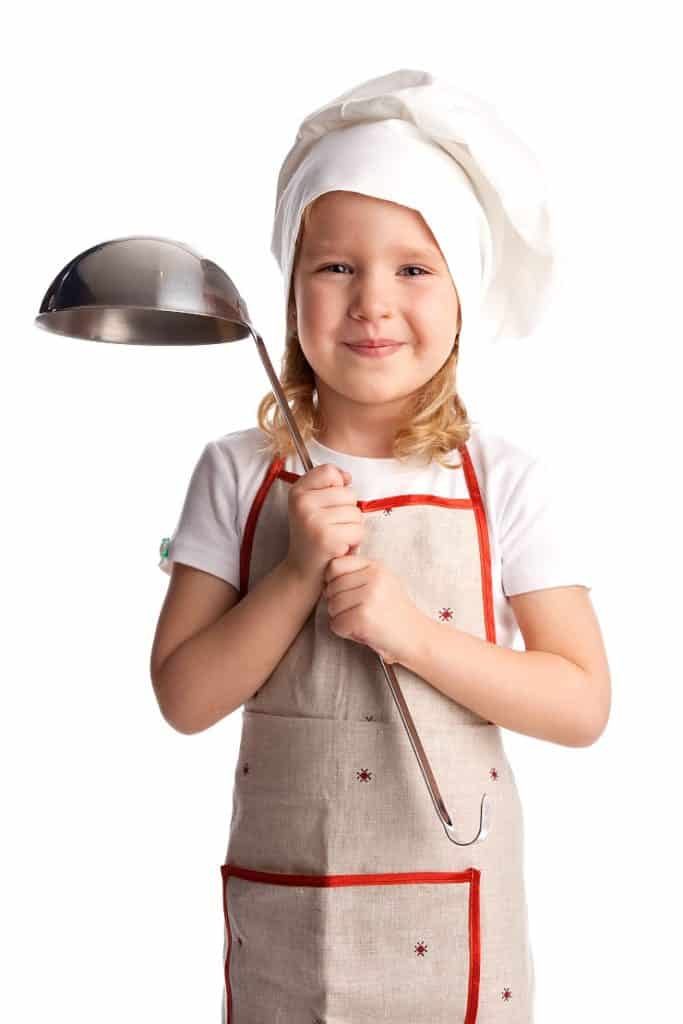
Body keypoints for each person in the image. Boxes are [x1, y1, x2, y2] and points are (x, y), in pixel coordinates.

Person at [151, 69, 611, 1023]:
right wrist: (293, 575)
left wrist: (410, 631)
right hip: (290, 910)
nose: (371, 302)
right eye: (334, 267)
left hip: (457, 903)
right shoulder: (237, 472)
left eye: (412, 267)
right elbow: (184, 698)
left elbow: (580, 703)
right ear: (288, 291)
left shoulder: (500, 479)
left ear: (461, 291)